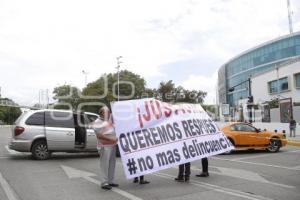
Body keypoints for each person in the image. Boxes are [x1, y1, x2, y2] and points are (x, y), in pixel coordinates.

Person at [93, 106, 118, 190]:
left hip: (112, 145)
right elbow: (100, 136)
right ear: (102, 113)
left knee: (112, 163)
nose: (109, 113)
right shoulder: (97, 122)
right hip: (104, 146)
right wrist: (112, 139)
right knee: (104, 164)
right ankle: (104, 182)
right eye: (107, 112)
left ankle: (111, 180)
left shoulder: (109, 120)